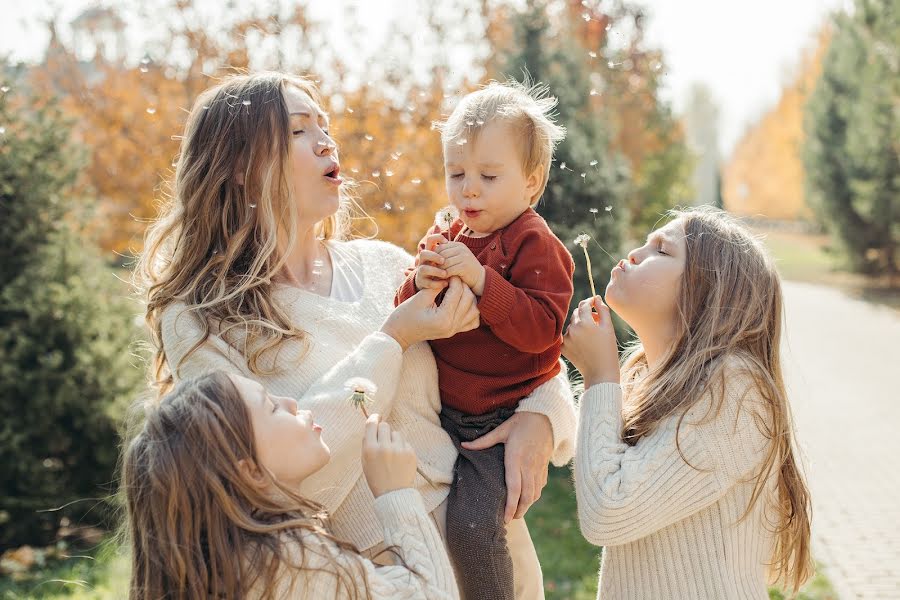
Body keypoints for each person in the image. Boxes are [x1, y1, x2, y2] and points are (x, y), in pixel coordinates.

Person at [136, 71, 576, 598]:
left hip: (492, 552)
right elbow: (264, 480)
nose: (326, 141)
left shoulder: (390, 268)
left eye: (324, 126)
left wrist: (542, 415)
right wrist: (394, 338)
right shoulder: (202, 320)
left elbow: (512, 345)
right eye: (299, 130)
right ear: (238, 165)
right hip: (370, 576)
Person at [562, 207, 813, 599]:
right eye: (646, 241)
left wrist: (598, 377)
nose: (634, 253)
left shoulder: (736, 390)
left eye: (661, 250)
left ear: (707, 292)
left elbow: (608, 512)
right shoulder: (643, 377)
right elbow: (583, 457)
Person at [394, 80, 572, 600]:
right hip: (443, 414)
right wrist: (419, 280)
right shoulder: (451, 235)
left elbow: (543, 330)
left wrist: (482, 280)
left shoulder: (532, 242)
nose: (469, 189)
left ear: (531, 183)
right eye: (457, 173)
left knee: (472, 528)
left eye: (489, 176)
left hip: (495, 421)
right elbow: (404, 309)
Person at [122, 370, 459, 599]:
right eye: (271, 407)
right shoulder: (290, 563)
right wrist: (396, 494)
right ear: (250, 472)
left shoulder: (228, 571)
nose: (291, 403)